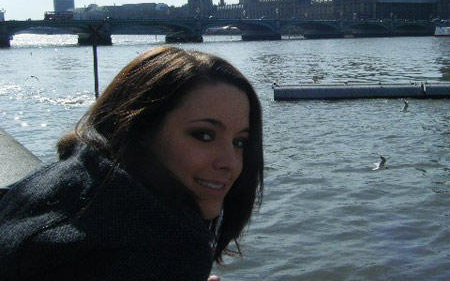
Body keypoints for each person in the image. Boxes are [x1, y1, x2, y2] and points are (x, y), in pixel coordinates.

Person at [0, 46, 264, 281]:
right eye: (203, 136)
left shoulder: (60, 180)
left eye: (240, 142)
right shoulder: (168, 244)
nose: (231, 163)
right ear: (141, 131)